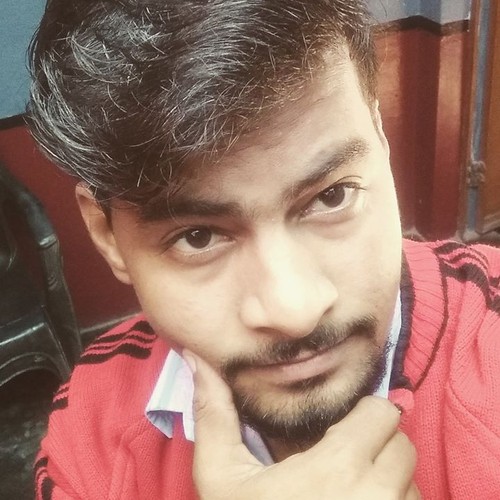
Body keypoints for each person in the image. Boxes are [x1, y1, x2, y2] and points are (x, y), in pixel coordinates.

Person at [28, 1, 500, 499]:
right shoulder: (88, 434)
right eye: (198, 236)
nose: (294, 312)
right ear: (107, 236)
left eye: (332, 196)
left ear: (380, 141)